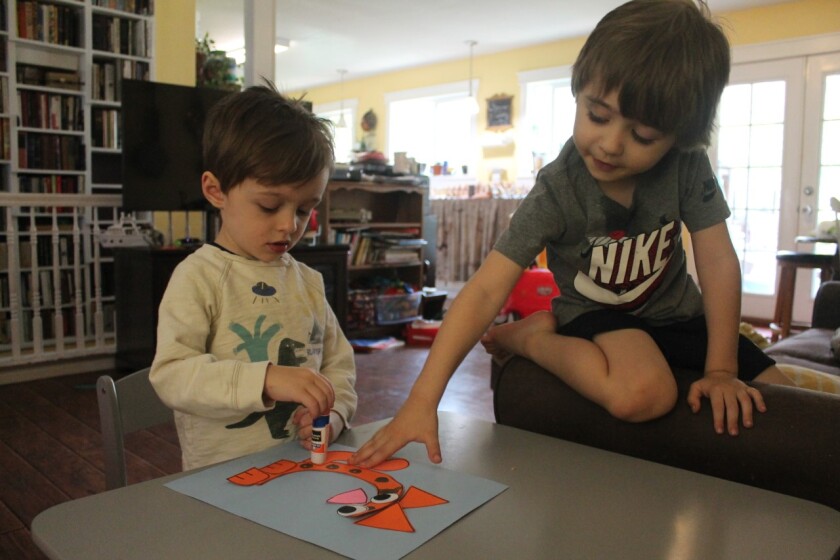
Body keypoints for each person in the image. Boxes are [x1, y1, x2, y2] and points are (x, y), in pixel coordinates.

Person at [351, 0, 793, 468]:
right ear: (579, 91)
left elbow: (718, 259)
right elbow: (483, 291)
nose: (610, 144)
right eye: (597, 115)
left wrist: (722, 370)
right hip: (597, 314)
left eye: (642, 135)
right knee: (643, 393)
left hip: (679, 314)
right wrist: (423, 399)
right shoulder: (558, 189)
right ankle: (530, 339)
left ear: (680, 137)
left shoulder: (686, 165)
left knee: (787, 395)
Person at [150, 83, 357, 471]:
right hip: (221, 481)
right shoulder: (198, 277)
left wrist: (336, 414)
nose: (288, 226)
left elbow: (339, 368)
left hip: (301, 468)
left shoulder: (308, 282)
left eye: (304, 210)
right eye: (269, 205)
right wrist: (265, 379)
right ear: (216, 191)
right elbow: (172, 376)